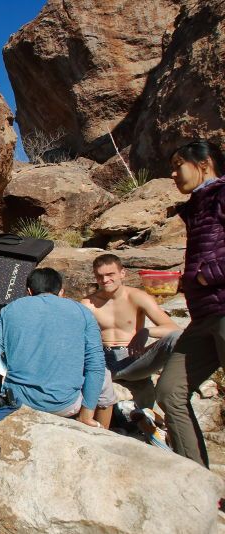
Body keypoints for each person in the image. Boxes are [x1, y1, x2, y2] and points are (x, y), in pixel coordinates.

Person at [155, 139, 225, 467]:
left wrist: (202, 276)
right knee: (169, 391)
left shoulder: (221, 195)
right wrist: (186, 281)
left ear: (204, 164)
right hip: (204, 316)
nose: (172, 173)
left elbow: (212, 265)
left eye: (178, 164)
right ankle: (197, 479)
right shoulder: (198, 204)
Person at [0, 267, 116, 428]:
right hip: (65, 406)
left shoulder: (10, 309)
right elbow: (95, 364)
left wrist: (7, 373)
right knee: (104, 375)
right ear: (61, 292)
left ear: (29, 291)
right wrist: (86, 411)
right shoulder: (83, 312)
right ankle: (94, 426)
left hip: (18, 400)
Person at [81, 254, 182, 411]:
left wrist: (147, 331)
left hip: (134, 358)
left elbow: (173, 329)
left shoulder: (137, 297)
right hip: (103, 361)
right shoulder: (88, 304)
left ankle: (171, 388)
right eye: (100, 276)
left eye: (110, 274)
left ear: (122, 273)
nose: (105, 280)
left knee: (176, 338)